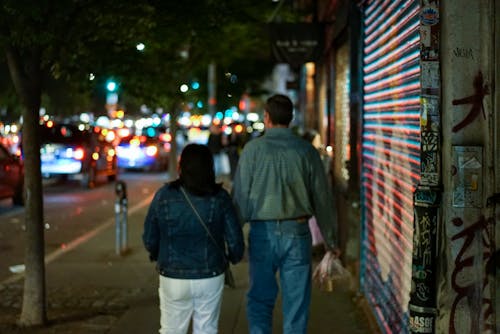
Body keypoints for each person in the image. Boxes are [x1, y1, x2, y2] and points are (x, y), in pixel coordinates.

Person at [232, 94, 339, 334]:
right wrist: (331, 240)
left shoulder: (252, 150)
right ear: (290, 118)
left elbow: (240, 197)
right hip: (297, 233)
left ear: (266, 118)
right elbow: (323, 199)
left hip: (262, 234)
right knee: (297, 304)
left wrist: (232, 238)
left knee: (260, 299)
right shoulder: (306, 151)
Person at [143, 143, 245, 334]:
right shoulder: (220, 197)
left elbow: (149, 237)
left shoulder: (164, 196)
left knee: (171, 329)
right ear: (210, 168)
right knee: (206, 329)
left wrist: (157, 253)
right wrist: (234, 256)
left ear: (182, 167)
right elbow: (234, 238)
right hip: (210, 274)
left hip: (172, 275)